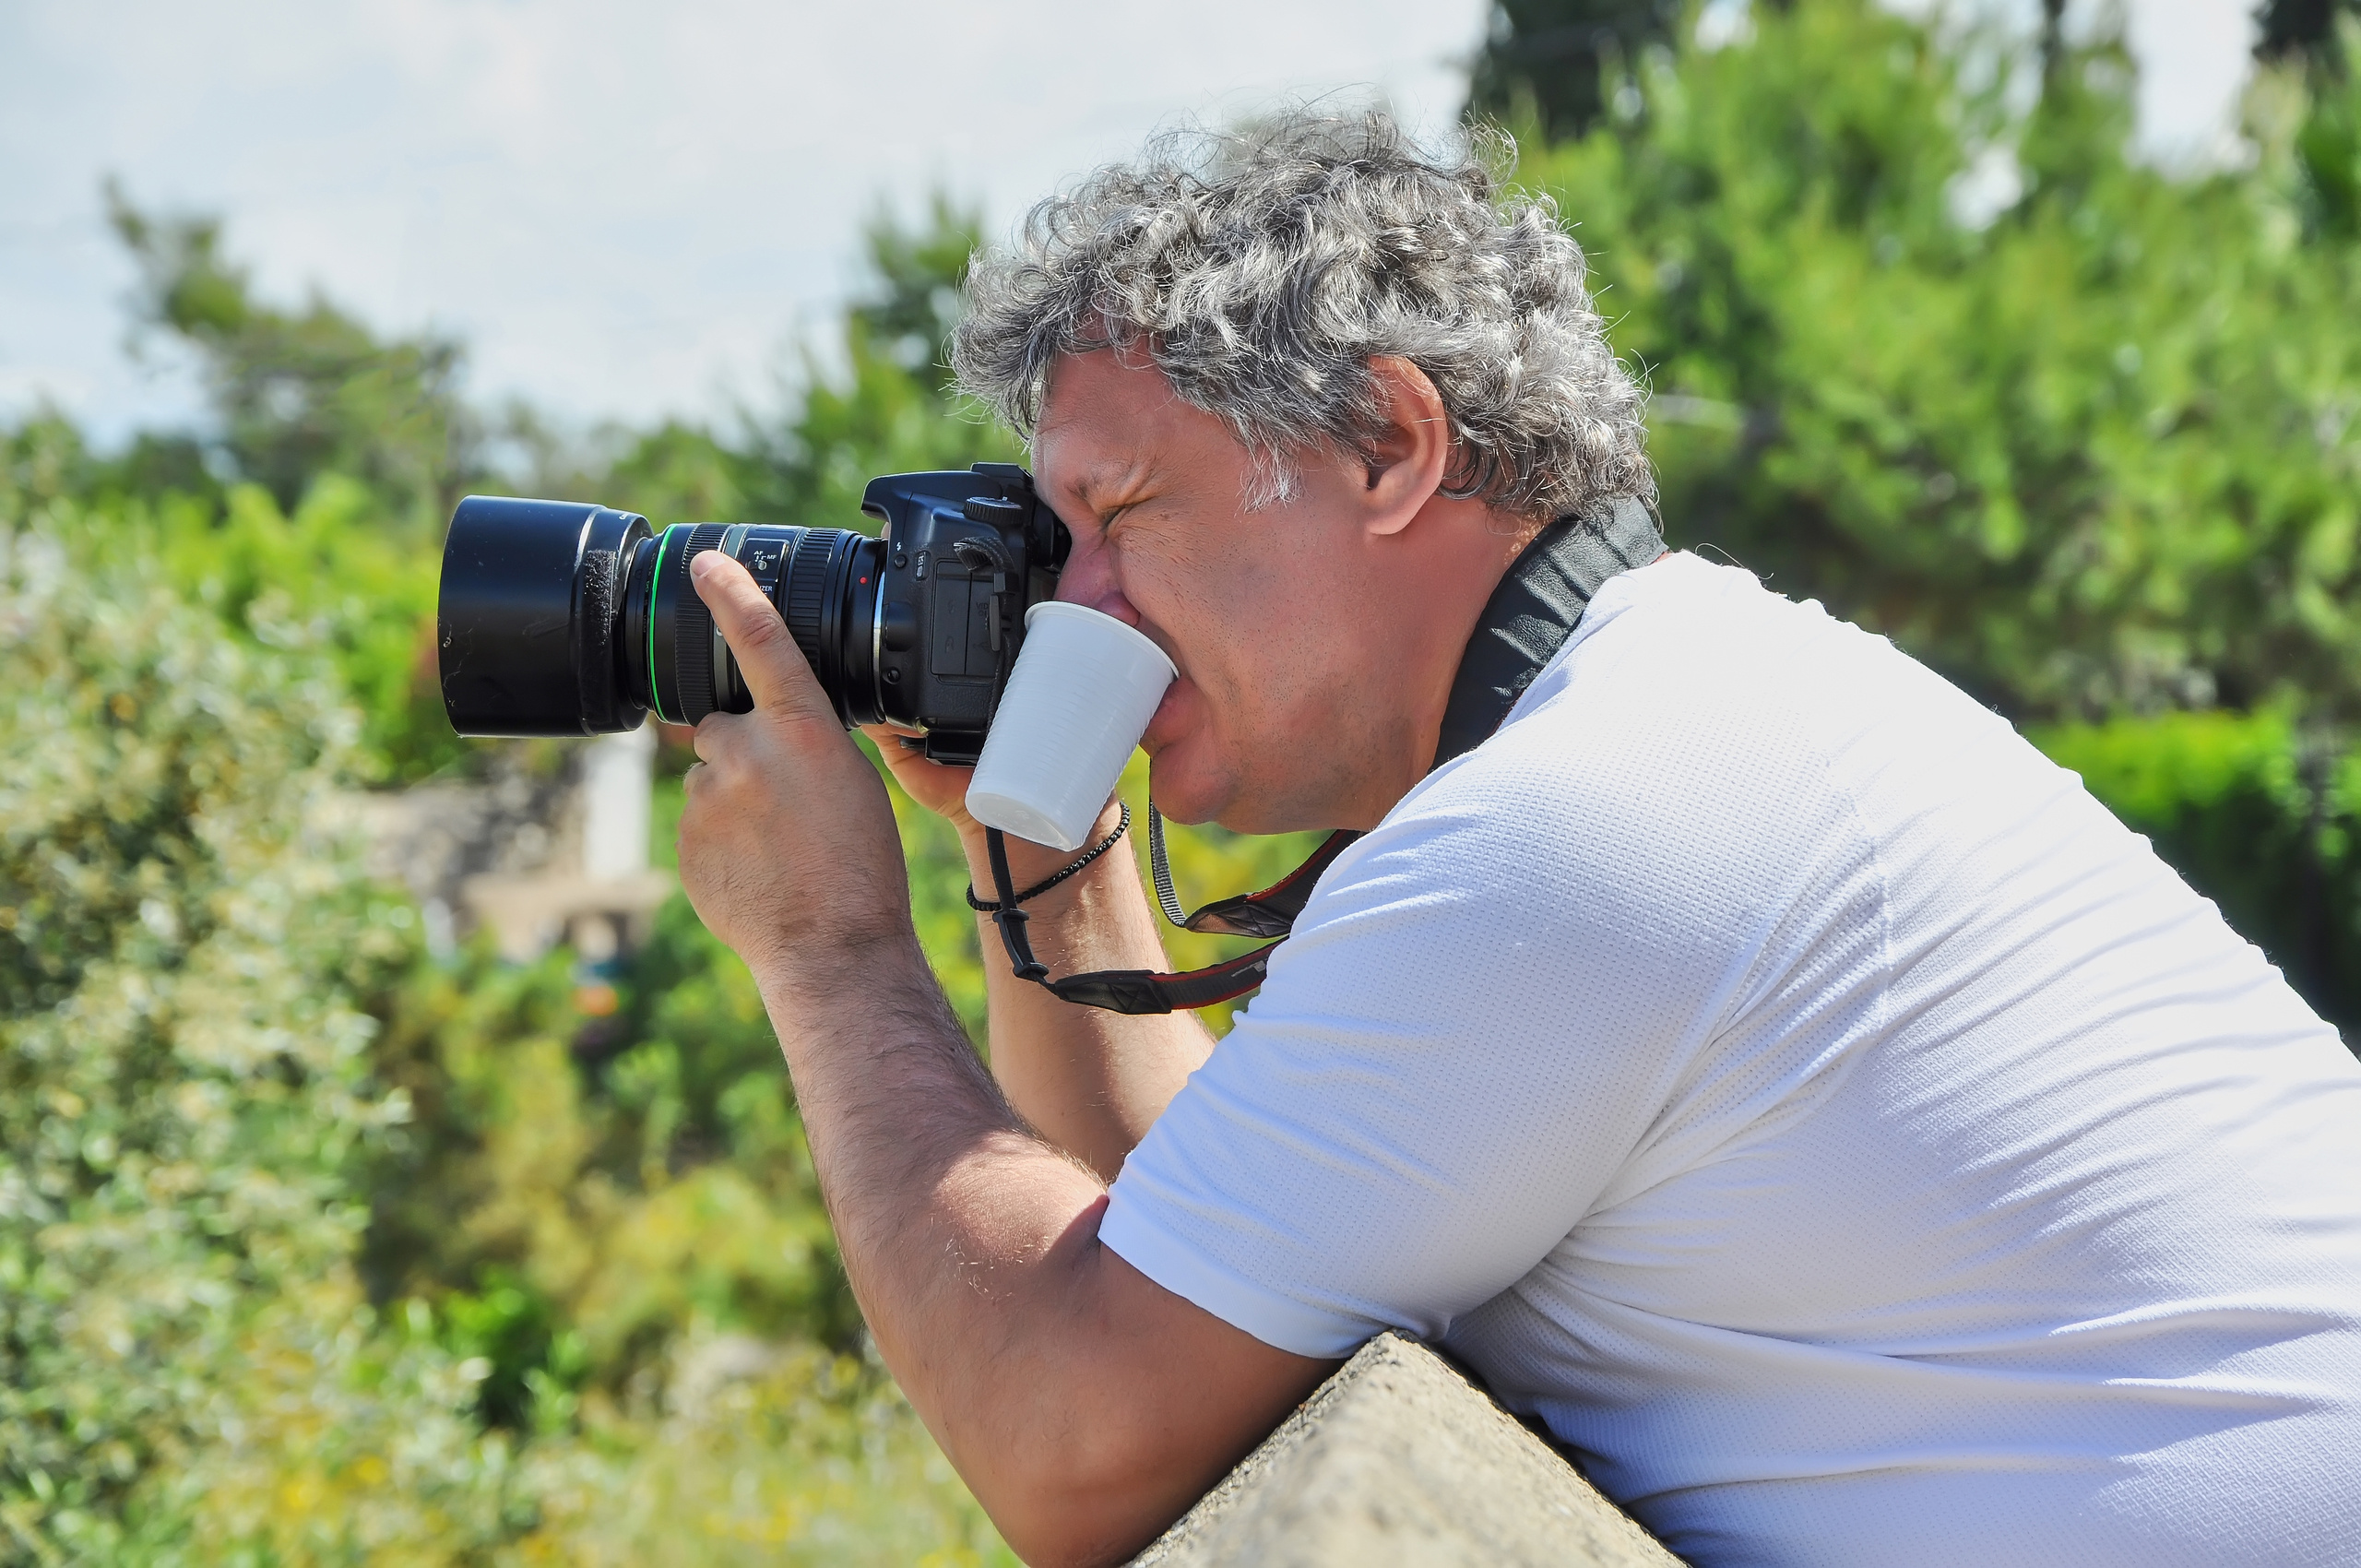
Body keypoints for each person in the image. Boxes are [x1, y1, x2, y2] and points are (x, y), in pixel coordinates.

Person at [673, 112, 2361, 1567]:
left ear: (1394, 446)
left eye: (1120, 519)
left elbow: (1074, 1439)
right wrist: (1043, 834)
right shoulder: (1662, 705)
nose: (1073, 606)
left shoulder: (1574, 826)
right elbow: (1203, 1230)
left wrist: (828, 953)